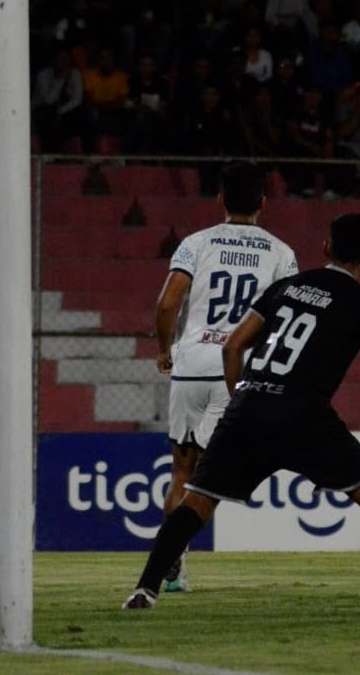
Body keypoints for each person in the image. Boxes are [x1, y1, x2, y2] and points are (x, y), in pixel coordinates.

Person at [124, 214, 360, 609]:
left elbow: (232, 347)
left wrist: (240, 396)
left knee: (197, 502)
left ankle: (144, 590)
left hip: (249, 407)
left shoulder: (288, 287)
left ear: (326, 248)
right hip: (304, 413)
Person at [152, 161, 298, 593]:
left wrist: (165, 350)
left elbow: (166, 305)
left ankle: (170, 563)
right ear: (263, 203)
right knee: (209, 480)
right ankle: (173, 559)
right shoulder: (281, 253)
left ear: (219, 200)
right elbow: (284, 317)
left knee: (181, 472)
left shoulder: (195, 243)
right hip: (238, 369)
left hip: (190, 365)